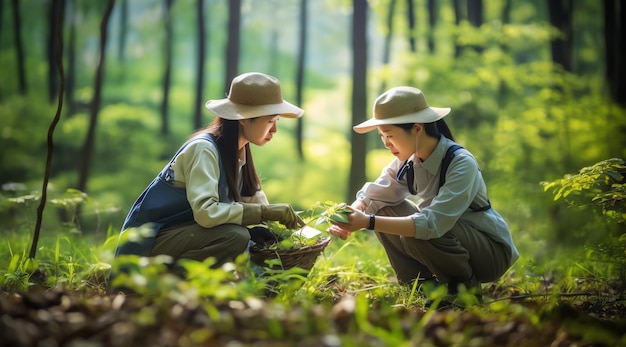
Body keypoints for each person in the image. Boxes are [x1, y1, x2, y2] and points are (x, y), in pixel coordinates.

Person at [329, 86, 519, 299]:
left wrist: (367, 222)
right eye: (382, 136)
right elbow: (375, 194)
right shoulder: (407, 161)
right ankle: (421, 287)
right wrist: (352, 214)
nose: (385, 143)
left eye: (389, 135)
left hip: (488, 253)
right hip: (449, 239)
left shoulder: (461, 163)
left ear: (417, 128)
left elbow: (432, 223)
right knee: (386, 208)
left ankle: (464, 293)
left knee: (417, 234)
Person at [113, 72, 306, 272]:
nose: (274, 130)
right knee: (235, 236)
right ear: (243, 118)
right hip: (147, 245)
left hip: (183, 240)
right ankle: (165, 287)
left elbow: (257, 205)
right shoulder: (204, 149)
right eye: (269, 121)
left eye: (276, 122)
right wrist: (267, 213)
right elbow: (207, 213)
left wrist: (293, 233)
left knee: (254, 239)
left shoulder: (240, 153)